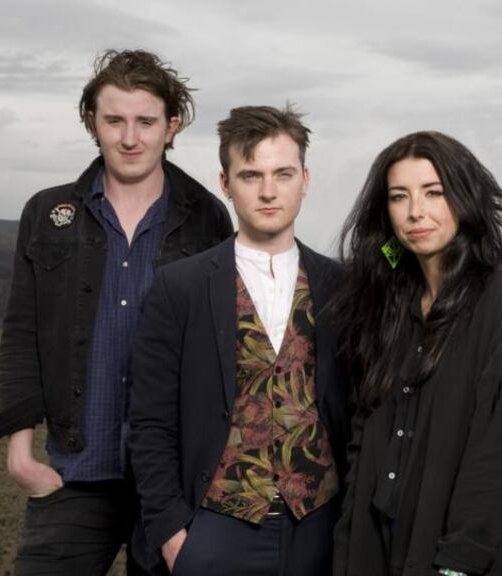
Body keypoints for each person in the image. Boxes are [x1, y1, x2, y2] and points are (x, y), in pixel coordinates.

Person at [0, 49, 233, 574]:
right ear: (93, 122)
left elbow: (223, 353)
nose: (130, 137)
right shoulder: (48, 213)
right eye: (114, 120)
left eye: (146, 121)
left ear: (171, 125)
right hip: (73, 473)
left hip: (171, 484)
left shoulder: (208, 217)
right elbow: (22, 332)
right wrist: (22, 456)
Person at [128, 105, 351, 575]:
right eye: (251, 176)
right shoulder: (180, 287)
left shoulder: (343, 286)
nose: (268, 191)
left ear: (305, 178)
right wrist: (172, 534)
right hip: (214, 530)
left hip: (320, 526)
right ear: (226, 184)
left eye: (282, 174)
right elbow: (150, 421)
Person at [332, 131, 502, 576]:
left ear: (462, 198)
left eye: (433, 192)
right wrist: (349, 536)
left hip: (458, 556)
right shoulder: (384, 303)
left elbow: (501, 447)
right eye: (398, 196)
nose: (415, 212)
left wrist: (459, 561)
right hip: (375, 545)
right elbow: (362, 431)